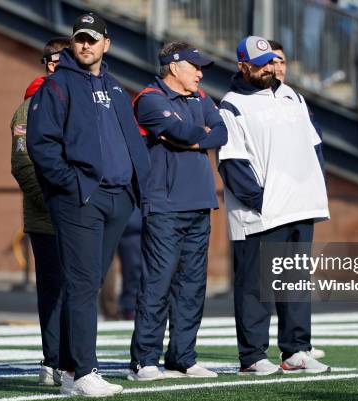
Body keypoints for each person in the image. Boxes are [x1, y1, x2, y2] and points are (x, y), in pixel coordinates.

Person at [27, 12, 150, 397]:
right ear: (73, 42)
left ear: (106, 44)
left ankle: (66, 368)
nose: (85, 44)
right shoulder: (56, 86)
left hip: (118, 200)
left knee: (89, 283)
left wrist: (134, 188)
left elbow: (131, 142)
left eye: (92, 39)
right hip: (81, 199)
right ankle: (83, 371)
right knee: (81, 285)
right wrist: (74, 185)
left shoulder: (114, 87)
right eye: (80, 38)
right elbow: (41, 145)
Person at [218, 36, 330, 375]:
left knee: (294, 282)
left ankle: (296, 349)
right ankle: (252, 356)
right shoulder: (231, 104)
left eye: (271, 61)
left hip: (300, 206)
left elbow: (314, 146)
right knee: (255, 286)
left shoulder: (292, 95)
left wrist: (311, 186)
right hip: (261, 213)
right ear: (243, 65)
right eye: (260, 62)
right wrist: (263, 201)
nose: (269, 67)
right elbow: (232, 162)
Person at [128, 41, 228, 381]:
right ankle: (144, 361)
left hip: (200, 203)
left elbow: (223, 132)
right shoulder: (150, 98)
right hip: (165, 206)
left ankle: (183, 357)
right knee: (157, 284)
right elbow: (181, 131)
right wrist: (196, 135)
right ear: (174, 67)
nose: (201, 73)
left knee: (192, 286)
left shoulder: (201, 98)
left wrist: (196, 139)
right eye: (195, 66)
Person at [10, 36, 69, 387]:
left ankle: (74, 357)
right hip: (47, 217)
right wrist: (53, 201)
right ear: (50, 64)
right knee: (53, 288)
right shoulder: (29, 107)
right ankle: (53, 360)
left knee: (79, 287)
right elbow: (22, 164)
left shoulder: (79, 103)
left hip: (79, 215)